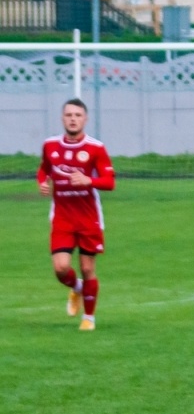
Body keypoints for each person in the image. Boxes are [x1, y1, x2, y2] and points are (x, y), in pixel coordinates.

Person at [37, 97, 114, 331]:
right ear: (62, 118)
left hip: (88, 217)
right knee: (60, 268)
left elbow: (110, 182)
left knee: (88, 268)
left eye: (78, 115)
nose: (73, 119)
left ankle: (89, 318)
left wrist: (88, 180)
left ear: (85, 119)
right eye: (69, 115)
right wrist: (42, 182)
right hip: (62, 216)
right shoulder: (50, 145)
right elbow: (44, 169)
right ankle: (77, 288)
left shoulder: (96, 147)